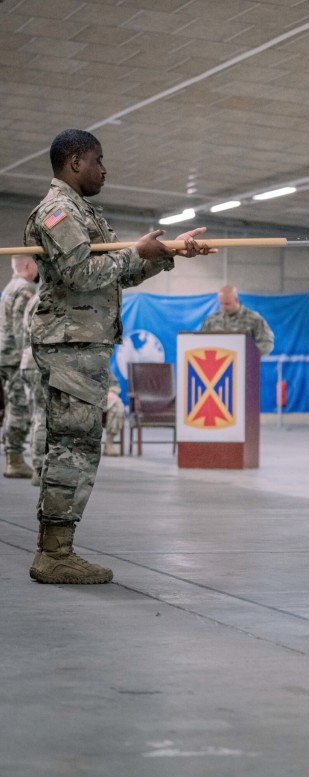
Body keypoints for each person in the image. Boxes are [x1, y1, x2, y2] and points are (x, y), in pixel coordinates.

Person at [24, 128, 212, 585]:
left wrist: (166, 254)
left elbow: (114, 277)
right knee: (72, 449)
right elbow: (80, 273)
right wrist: (135, 252)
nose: (105, 169)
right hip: (69, 345)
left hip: (83, 344)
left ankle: (58, 548)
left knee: (79, 446)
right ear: (74, 164)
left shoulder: (82, 211)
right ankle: (54, 554)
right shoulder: (58, 211)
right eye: (98, 160)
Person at [0, 254, 39, 479]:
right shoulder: (26, 288)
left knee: (13, 405)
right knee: (19, 407)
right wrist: (27, 354)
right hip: (15, 357)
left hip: (6, 354)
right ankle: (14, 460)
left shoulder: (9, 286)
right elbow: (21, 325)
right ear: (28, 265)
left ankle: (13, 457)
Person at [18, 289, 47, 486]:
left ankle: (38, 465)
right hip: (39, 361)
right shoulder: (45, 297)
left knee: (37, 414)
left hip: (28, 360)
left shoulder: (33, 299)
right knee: (42, 416)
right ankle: (39, 468)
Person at [200, 284, 275, 356]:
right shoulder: (211, 320)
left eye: (227, 304)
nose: (223, 307)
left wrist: (247, 353)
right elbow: (201, 341)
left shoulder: (254, 319)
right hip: (217, 365)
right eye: (221, 304)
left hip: (244, 365)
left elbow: (267, 343)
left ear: (236, 300)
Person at [103, 370, 125, 456]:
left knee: (117, 406)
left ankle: (109, 443)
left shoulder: (100, 361)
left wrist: (112, 392)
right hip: (81, 395)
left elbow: (114, 384)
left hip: (102, 396)